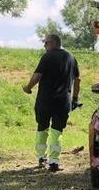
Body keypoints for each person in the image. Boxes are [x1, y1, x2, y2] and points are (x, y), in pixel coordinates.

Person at [23, 33, 80, 172]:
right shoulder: (71, 58)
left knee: (42, 127)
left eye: (46, 43)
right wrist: (75, 99)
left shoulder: (47, 56)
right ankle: (54, 162)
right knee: (57, 130)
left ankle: (41, 158)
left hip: (45, 99)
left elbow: (37, 75)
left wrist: (28, 87)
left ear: (53, 43)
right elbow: (78, 80)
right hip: (63, 101)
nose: (44, 45)